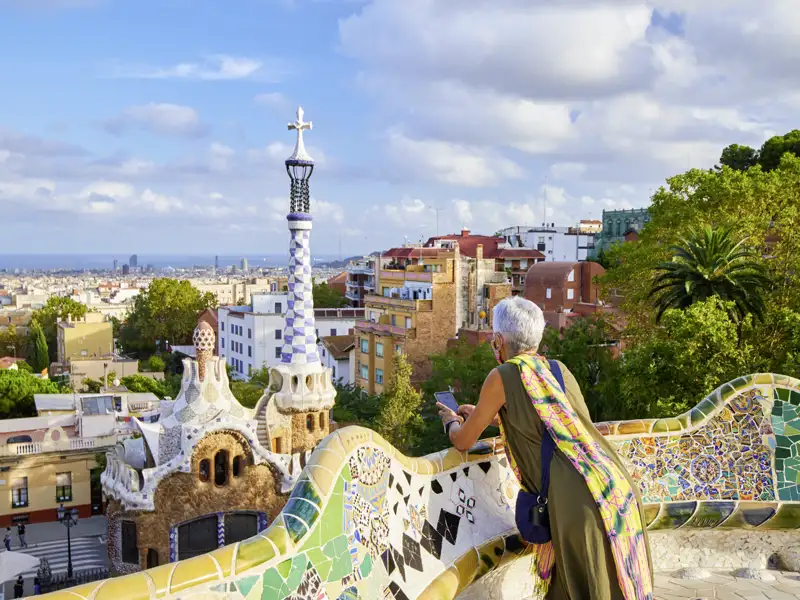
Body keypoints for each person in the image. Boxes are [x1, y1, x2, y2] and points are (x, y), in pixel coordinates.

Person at [437, 296, 653, 600]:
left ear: (498, 340)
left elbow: (463, 441)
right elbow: (558, 429)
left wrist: (450, 422)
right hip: (614, 488)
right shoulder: (558, 370)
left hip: (576, 503)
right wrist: (489, 415)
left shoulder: (503, 375)